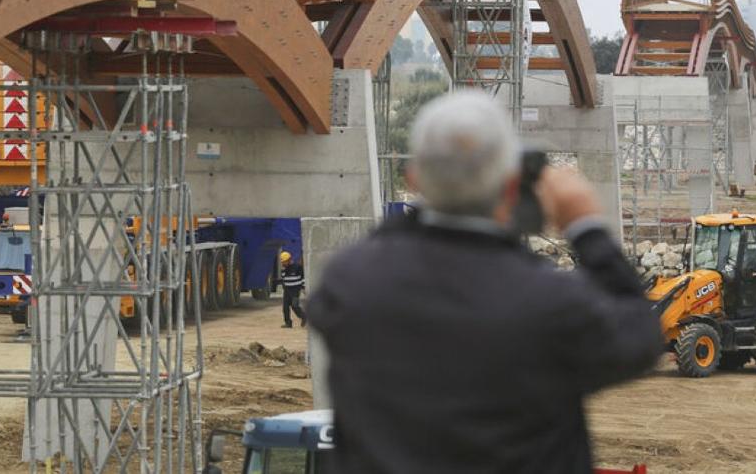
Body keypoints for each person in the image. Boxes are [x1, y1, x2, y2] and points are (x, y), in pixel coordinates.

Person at [307, 90, 662, 473]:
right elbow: (641, 335)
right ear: (510, 188)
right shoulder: (548, 302)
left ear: (416, 181)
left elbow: (382, 250)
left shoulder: (349, 283)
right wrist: (586, 225)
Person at [276, 250, 306, 328]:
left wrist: (303, 287)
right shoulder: (284, 269)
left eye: (284, 262)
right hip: (287, 290)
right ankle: (288, 323)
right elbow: (284, 279)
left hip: (295, 290)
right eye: (282, 262)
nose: (283, 263)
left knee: (295, 306)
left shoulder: (297, 267)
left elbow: (303, 278)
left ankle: (304, 317)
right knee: (285, 307)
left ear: (289, 260)